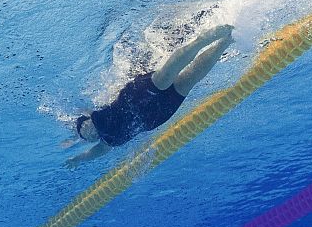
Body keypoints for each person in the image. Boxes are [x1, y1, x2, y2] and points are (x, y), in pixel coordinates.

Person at [64, 24, 234, 166]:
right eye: (84, 135)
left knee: (167, 74)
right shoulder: (107, 142)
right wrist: (76, 160)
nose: (86, 132)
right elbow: (90, 155)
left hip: (136, 98)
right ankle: (228, 40)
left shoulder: (97, 116)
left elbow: (83, 112)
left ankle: (204, 39)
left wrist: (79, 127)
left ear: (86, 121)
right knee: (190, 79)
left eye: (83, 128)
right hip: (157, 115)